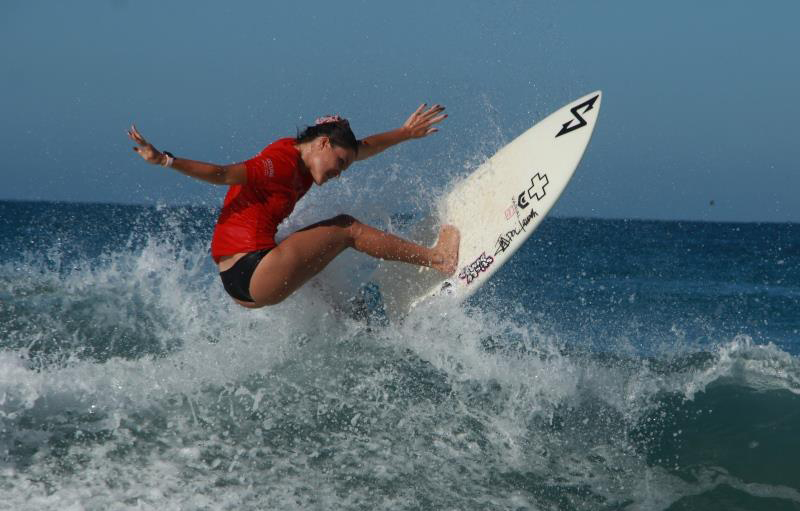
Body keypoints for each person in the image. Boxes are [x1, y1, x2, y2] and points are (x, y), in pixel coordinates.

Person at [128, 104, 460, 308]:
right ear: (323, 143)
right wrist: (165, 160)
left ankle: (354, 324)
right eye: (339, 164)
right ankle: (437, 258)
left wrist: (404, 133)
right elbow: (224, 173)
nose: (339, 173)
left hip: (242, 278)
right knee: (347, 229)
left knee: (319, 257)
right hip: (252, 270)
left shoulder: (307, 158)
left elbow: (360, 148)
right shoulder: (280, 163)